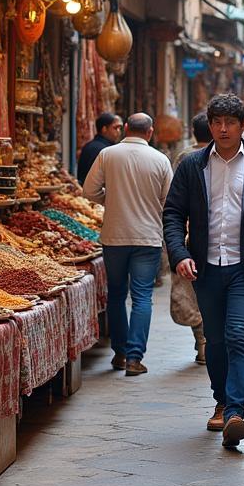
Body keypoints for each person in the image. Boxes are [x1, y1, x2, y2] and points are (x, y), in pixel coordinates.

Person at [162, 93, 244, 449]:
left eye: (230, 123)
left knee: (238, 335)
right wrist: (179, 254)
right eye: (217, 122)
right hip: (205, 268)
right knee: (215, 341)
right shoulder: (192, 166)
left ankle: (235, 411)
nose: (222, 129)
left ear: (243, 126)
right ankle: (221, 398)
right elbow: (173, 213)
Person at [83, 113, 173, 376]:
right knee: (143, 296)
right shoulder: (160, 159)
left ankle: (120, 353)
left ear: (125, 129)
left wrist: (109, 202)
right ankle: (135, 358)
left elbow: (88, 191)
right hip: (147, 238)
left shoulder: (108, 155)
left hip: (115, 236)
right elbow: (169, 200)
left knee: (117, 294)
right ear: (150, 132)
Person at [170, 113, 212, 365]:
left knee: (191, 288)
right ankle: (207, 340)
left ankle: (203, 340)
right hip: (202, 234)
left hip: (188, 232)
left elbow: (174, 199)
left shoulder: (183, 157)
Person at [77, 112, 122, 183]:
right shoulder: (105, 150)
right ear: (104, 129)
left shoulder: (89, 145)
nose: (119, 132)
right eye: (115, 128)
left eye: (120, 128)